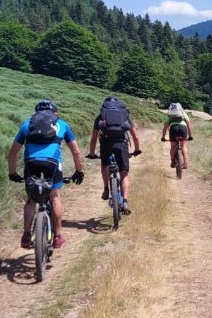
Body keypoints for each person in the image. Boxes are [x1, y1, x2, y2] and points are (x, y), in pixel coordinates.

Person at [7, 100, 85, 249]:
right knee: (54, 196)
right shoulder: (61, 124)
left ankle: (26, 235)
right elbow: (75, 150)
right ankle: (57, 237)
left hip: (31, 163)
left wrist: (13, 173)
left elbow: (12, 153)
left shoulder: (27, 124)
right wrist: (79, 171)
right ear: (55, 113)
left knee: (31, 199)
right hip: (53, 163)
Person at [87, 95, 142, 214]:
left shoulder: (100, 117)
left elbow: (94, 138)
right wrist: (137, 149)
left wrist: (92, 153)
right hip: (121, 144)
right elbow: (135, 136)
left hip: (106, 144)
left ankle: (106, 189)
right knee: (124, 174)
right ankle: (125, 201)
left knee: (104, 166)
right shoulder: (124, 116)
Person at [160, 102, 194, 170]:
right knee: (183, 146)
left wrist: (163, 137)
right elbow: (188, 125)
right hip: (183, 129)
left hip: (173, 129)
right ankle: (186, 163)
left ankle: (172, 162)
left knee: (173, 146)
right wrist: (190, 136)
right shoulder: (182, 112)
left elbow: (165, 127)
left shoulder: (169, 114)